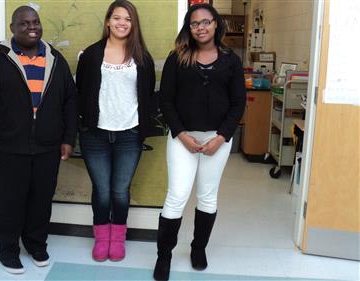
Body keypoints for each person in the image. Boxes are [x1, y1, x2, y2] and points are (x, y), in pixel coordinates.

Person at [0, 6, 77, 274]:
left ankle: (37, 245)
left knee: (40, 200)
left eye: (36, 21)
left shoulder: (55, 59)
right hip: (7, 148)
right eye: (24, 23)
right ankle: (7, 251)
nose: (32, 27)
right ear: (12, 28)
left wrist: (67, 138)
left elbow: (70, 102)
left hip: (47, 147)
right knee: (7, 201)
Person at [153, 3, 246, 280]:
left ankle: (198, 248)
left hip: (217, 139)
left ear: (216, 24)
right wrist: (181, 134)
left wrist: (221, 137)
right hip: (183, 138)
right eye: (195, 23)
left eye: (206, 22)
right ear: (188, 28)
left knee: (207, 196)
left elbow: (238, 103)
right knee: (177, 195)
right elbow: (165, 100)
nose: (201, 27)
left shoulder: (231, 59)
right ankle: (164, 256)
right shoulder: (177, 58)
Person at [76, 0, 155, 262]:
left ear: (134, 24)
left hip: (129, 134)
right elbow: (80, 93)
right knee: (102, 190)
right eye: (117, 17)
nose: (122, 23)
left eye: (128, 19)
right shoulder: (90, 55)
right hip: (95, 134)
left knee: (120, 191)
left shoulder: (142, 58)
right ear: (108, 21)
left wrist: (142, 128)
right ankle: (102, 238)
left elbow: (148, 98)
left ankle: (117, 238)